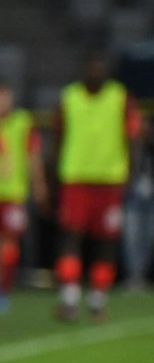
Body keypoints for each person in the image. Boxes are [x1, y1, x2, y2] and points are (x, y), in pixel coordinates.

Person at [49, 55, 141, 322]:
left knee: (106, 243)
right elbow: (57, 138)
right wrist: (55, 177)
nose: (95, 72)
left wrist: (130, 174)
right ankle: (69, 299)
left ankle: (98, 300)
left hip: (109, 182)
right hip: (75, 179)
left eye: (99, 67)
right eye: (91, 67)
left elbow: (132, 138)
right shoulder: (69, 99)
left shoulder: (120, 99)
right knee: (70, 237)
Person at [0, 82, 42, 312]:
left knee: (8, 243)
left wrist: (38, 183)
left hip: (13, 192)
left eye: (3, 97)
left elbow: (32, 155)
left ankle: (3, 289)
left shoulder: (22, 123)